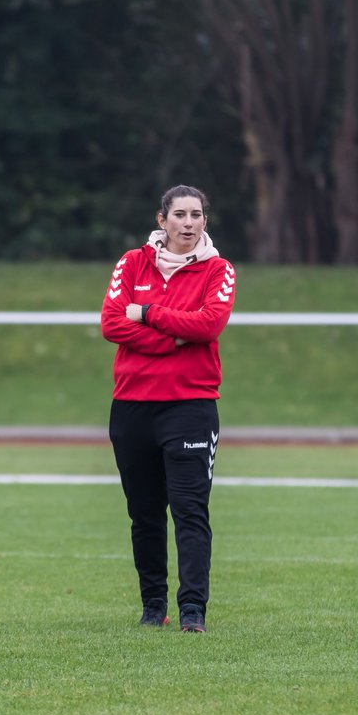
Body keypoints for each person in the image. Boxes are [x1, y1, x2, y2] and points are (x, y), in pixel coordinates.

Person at [100, 185, 236, 633]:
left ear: (204, 221)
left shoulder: (219, 270)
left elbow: (210, 323)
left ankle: (193, 609)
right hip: (132, 407)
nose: (189, 222)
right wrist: (175, 334)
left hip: (190, 408)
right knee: (143, 512)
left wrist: (148, 312)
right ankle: (153, 605)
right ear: (162, 220)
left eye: (196, 215)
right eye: (179, 214)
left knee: (189, 510)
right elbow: (111, 323)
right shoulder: (131, 262)